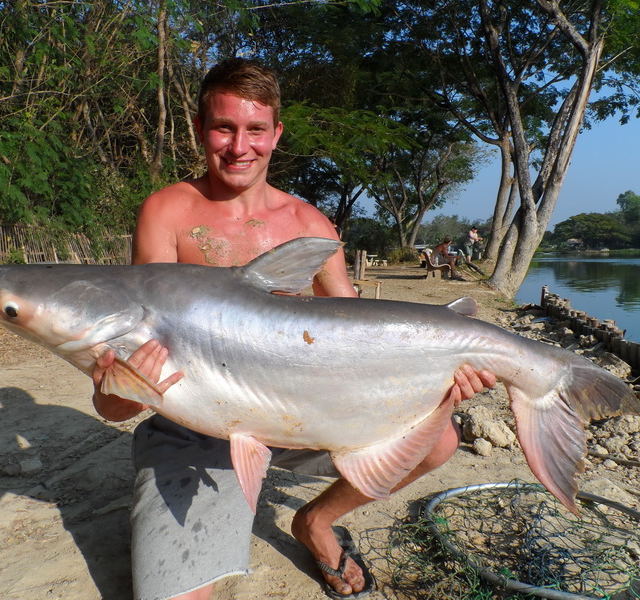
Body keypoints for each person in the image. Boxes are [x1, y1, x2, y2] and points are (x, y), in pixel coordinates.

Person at [90, 58, 496, 600]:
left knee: (438, 438)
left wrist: (441, 380)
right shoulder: (167, 212)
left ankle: (316, 522)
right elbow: (121, 398)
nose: (239, 147)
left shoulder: (310, 226)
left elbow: (358, 337)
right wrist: (119, 388)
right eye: (223, 128)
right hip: (197, 424)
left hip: (301, 410)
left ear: (276, 134)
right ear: (199, 129)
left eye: (255, 129)